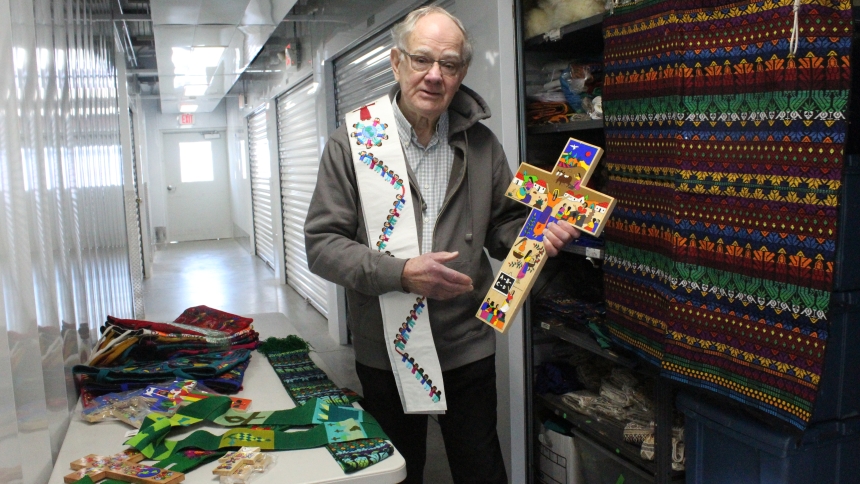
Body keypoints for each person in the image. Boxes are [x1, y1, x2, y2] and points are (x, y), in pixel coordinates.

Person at [304, 6, 580, 483]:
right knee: (396, 472)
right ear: (396, 63)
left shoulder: (483, 144)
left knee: (480, 468)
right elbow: (322, 244)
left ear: (461, 73)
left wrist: (540, 234)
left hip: (466, 346)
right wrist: (401, 273)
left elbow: (505, 223)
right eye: (421, 60)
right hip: (388, 350)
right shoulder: (353, 142)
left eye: (449, 64)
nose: (434, 75)